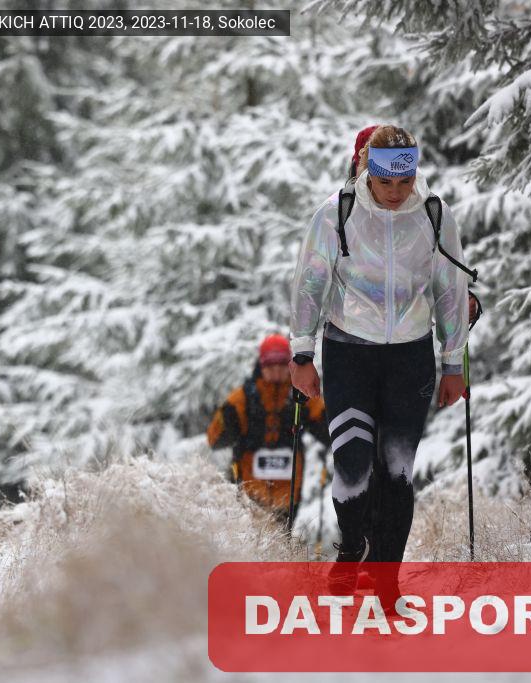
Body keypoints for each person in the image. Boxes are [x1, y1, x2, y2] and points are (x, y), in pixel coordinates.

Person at [288, 124, 473, 609]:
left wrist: (453, 361)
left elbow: (450, 290)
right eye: (385, 181)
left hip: (410, 357)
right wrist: (302, 354)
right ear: (366, 170)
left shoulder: (434, 215)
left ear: (415, 173)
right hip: (348, 352)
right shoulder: (337, 213)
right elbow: (310, 283)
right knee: (352, 464)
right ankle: (353, 547)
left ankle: (387, 580)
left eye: (404, 181)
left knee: (397, 471)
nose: (395, 192)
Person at [207, 334, 330, 529]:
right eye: (270, 366)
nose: (276, 371)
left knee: (281, 538)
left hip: (288, 495)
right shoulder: (243, 397)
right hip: (249, 492)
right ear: (262, 366)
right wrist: (227, 421)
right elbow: (214, 439)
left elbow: (328, 428)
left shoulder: (300, 395)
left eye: (281, 365)